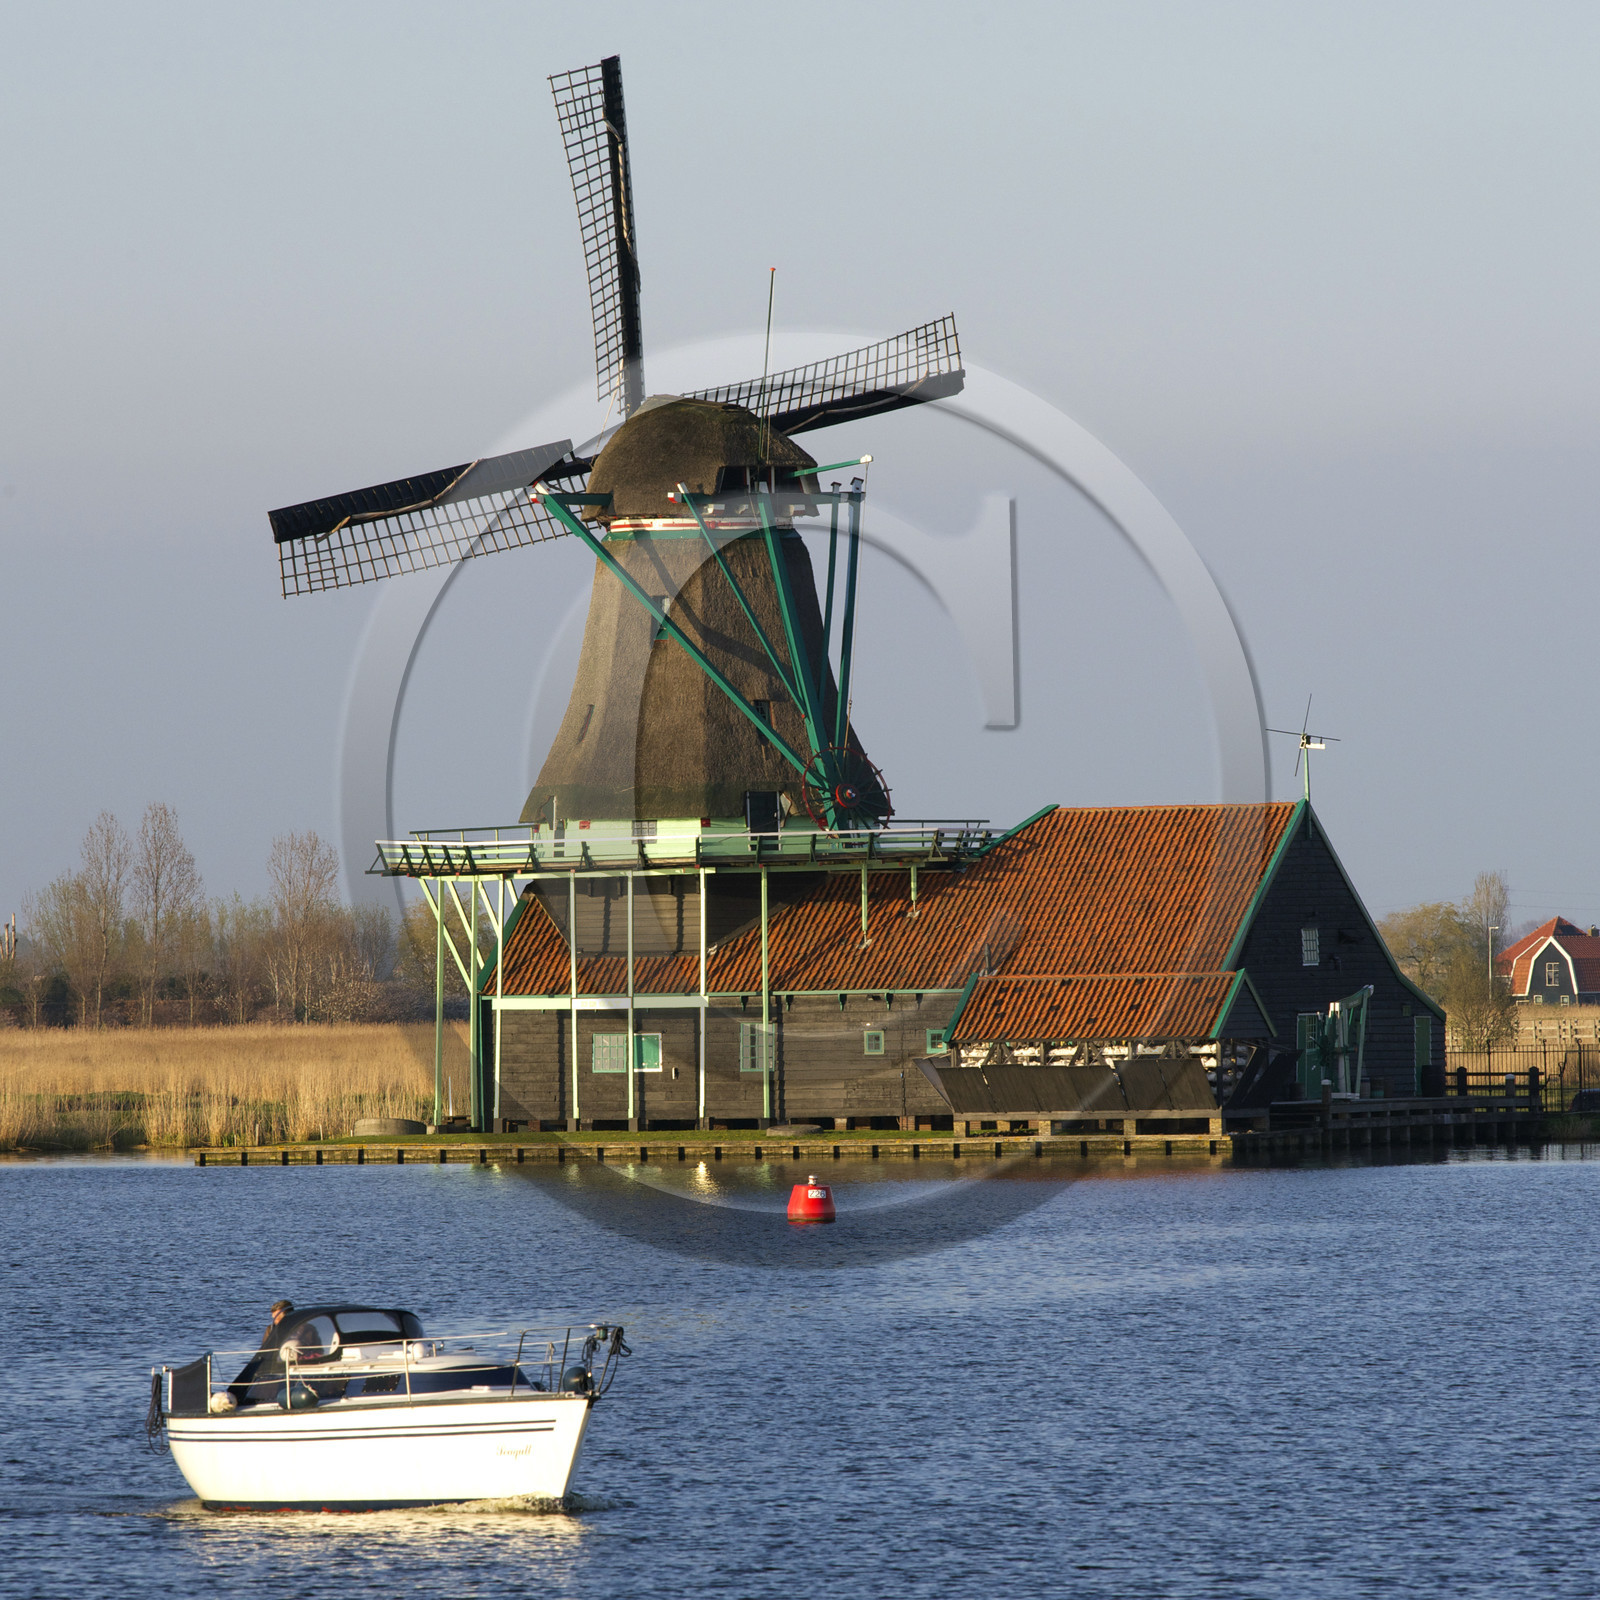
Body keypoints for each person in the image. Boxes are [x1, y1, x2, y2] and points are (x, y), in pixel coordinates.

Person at [227, 1299, 297, 1405]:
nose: (276, 1321)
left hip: (295, 1366)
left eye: (278, 1318)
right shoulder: (270, 1329)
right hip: (274, 1367)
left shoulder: (304, 1328)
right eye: (274, 1319)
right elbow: (264, 1351)